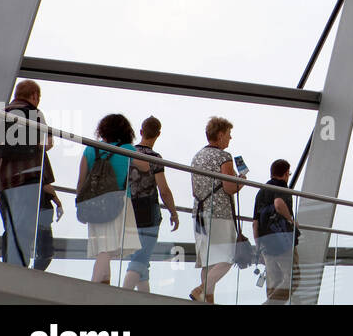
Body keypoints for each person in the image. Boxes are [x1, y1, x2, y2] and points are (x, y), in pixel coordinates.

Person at [0, 80, 53, 267]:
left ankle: (8, 266)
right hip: (26, 179)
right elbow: (47, 143)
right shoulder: (35, 113)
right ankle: (19, 267)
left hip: (1, 182)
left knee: (9, 224)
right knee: (24, 226)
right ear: (34, 96)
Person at [77, 114, 147, 285]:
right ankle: (93, 288)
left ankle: (104, 287)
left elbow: (81, 181)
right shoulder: (127, 149)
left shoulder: (91, 149)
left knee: (103, 247)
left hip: (93, 202)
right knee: (107, 249)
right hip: (117, 202)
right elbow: (146, 166)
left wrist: (81, 204)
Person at [189, 117, 246, 303]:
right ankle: (201, 290)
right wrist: (241, 182)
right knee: (228, 257)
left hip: (199, 213)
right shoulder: (224, 157)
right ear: (220, 135)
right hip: (219, 213)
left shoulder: (197, 157)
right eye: (229, 135)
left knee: (208, 260)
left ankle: (208, 298)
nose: (230, 139)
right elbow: (229, 188)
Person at [122, 116, 179, 292]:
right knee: (140, 257)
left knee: (141, 260)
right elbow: (164, 190)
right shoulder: (155, 158)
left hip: (128, 210)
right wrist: (173, 213)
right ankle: (122, 296)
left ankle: (144, 299)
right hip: (148, 212)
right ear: (158, 134)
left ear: (141, 132)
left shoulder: (128, 153)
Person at [252, 159, 300, 304]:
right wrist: (291, 220)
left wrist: (258, 246)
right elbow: (278, 204)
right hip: (282, 240)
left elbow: (255, 223)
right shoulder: (281, 187)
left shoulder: (261, 191)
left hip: (265, 241)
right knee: (293, 278)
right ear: (286, 173)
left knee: (273, 282)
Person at [33, 154, 62, 272]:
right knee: (46, 252)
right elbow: (45, 184)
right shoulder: (39, 154)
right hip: (42, 209)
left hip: (31, 208)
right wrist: (58, 203)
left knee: (39, 249)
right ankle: (33, 276)